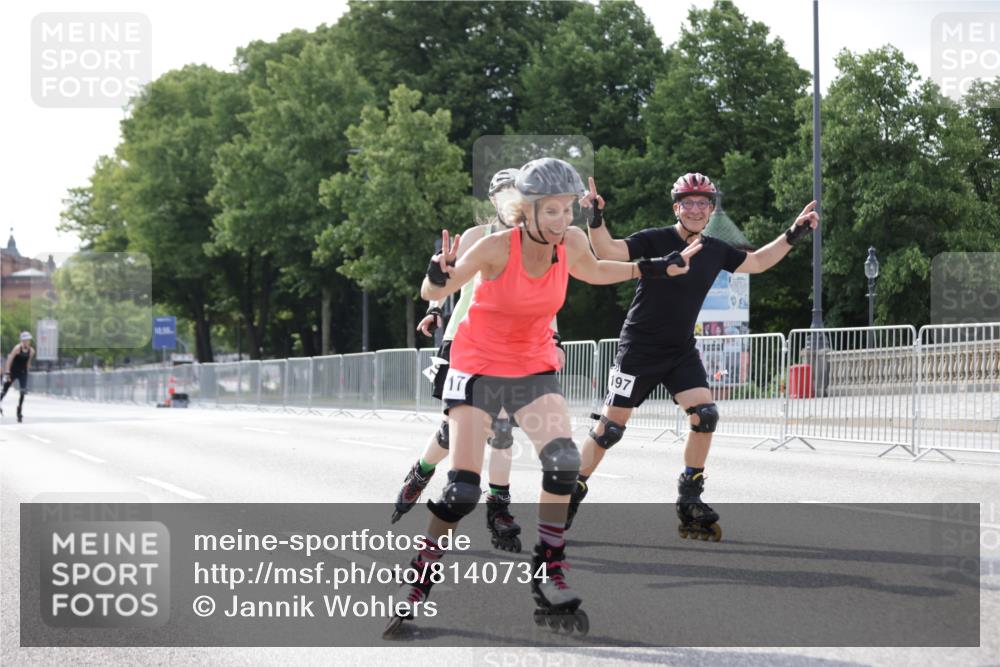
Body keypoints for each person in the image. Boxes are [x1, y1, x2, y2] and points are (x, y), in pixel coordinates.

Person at [383, 158, 700, 638]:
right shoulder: (495, 247)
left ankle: (549, 573)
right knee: (462, 490)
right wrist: (435, 273)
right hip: (478, 366)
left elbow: (596, 269)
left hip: (532, 364)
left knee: (564, 462)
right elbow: (438, 286)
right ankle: (419, 580)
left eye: (568, 209)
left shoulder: (569, 242)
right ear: (525, 209)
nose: (562, 220)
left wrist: (654, 268)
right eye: (551, 210)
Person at [571, 172, 819, 540]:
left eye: (704, 203)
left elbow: (758, 262)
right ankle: (570, 490)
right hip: (638, 349)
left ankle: (690, 497)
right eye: (688, 203)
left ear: (711, 209)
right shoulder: (655, 239)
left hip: (680, 351)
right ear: (677, 208)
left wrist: (794, 233)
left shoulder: (715, 249)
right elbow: (607, 250)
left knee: (705, 415)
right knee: (609, 429)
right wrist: (595, 217)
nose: (696, 210)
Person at [392, 168, 567, 554]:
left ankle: (498, 506)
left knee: (502, 429)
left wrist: (553, 338)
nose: (512, 200)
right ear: (493, 201)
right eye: (504, 194)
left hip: (513, 347)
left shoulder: (540, 241)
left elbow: (544, 297)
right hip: (464, 339)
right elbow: (446, 275)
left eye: (518, 192)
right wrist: (434, 309)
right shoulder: (477, 236)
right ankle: (421, 473)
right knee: (451, 432)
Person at [1, 332, 36, 423]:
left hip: (23, 373)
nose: (27, 342)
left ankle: (19, 411)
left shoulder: (31, 351)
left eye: (28, 340)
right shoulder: (17, 348)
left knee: (23, 392)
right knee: (5, 390)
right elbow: (9, 360)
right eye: (25, 340)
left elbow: (28, 362)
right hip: (13, 372)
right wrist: (7, 372)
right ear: (22, 341)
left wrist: (28, 372)